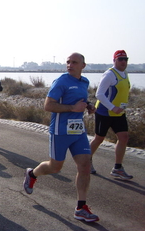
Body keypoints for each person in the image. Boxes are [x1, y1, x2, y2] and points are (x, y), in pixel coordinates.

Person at [23, 53, 99, 223]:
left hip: (78, 131)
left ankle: (81, 207)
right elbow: (48, 105)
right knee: (55, 167)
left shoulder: (84, 82)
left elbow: (80, 101)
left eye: (74, 62)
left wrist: (88, 106)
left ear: (83, 66)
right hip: (60, 131)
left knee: (85, 165)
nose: (70, 65)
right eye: (68, 62)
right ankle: (33, 174)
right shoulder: (61, 81)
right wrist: (73, 107)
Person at [90, 50, 133, 180]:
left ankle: (118, 168)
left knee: (124, 137)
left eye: (125, 59)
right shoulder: (109, 74)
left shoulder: (125, 74)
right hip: (105, 112)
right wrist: (112, 107)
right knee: (99, 138)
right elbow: (99, 94)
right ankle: (86, 161)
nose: (123, 61)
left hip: (119, 113)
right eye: (120, 59)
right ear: (114, 60)